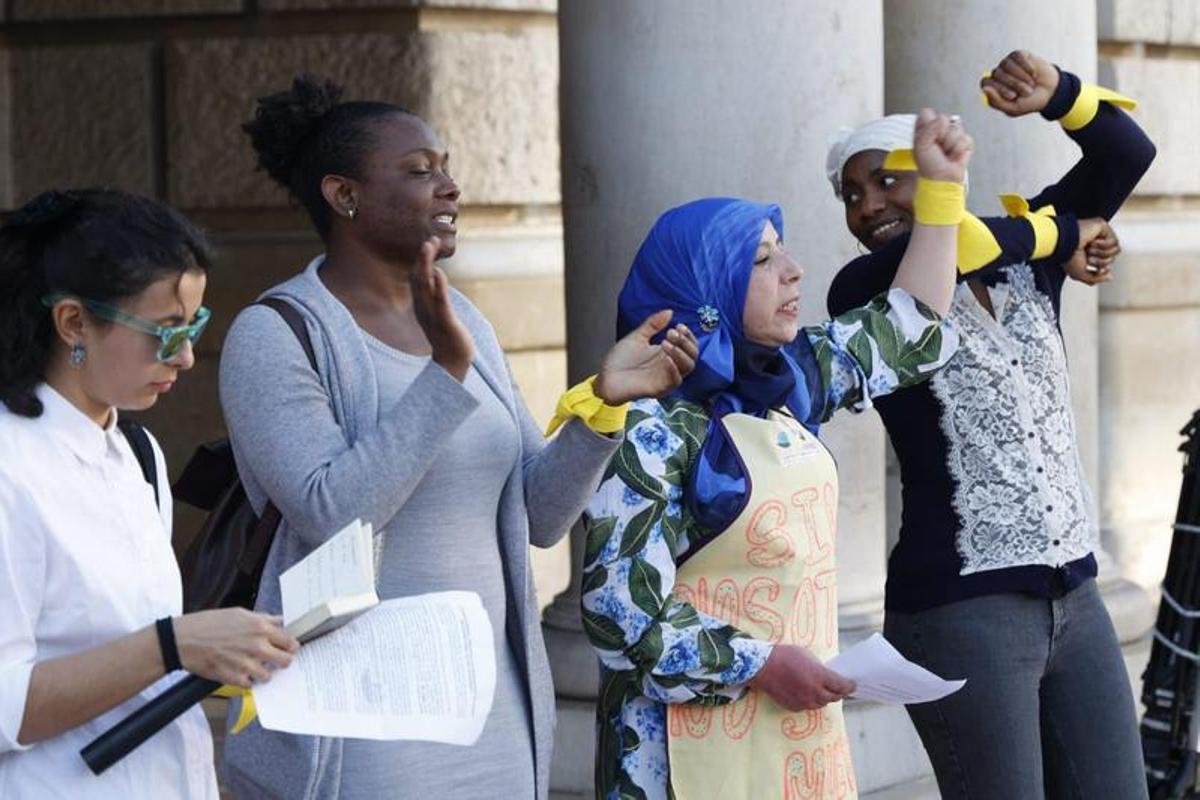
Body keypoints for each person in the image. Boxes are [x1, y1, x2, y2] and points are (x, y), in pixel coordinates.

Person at [218, 75, 699, 800]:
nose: (449, 187)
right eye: (419, 172)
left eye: (445, 168)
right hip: (362, 721)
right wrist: (443, 375)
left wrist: (603, 408)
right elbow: (329, 513)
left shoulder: (463, 318)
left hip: (494, 709)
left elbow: (538, 517)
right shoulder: (277, 333)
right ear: (343, 195)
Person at [581, 109, 971, 800]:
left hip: (794, 738)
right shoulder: (649, 426)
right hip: (678, 759)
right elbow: (620, 612)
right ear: (705, 291)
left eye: (783, 251)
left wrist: (943, 189)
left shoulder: (791, 376)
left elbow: (910, 324)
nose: (794, 272)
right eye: (762, 261)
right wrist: (758, 664)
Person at [825, 51, 1157, 799]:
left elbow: (1127, 152)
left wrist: (1060, 96)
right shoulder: (865, 290)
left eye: (887, 179)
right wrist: (1062, 231)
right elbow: (968, 241)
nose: (868, 205)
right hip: (960, 611)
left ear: (940, 172)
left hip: (1077, 599)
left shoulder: (1022, 264)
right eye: (851, 195)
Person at [0, 188, 300, 799]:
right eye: (164, 332)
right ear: (73, 322)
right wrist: (175, 644)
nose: (187, 356)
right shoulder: (12, 467)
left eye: (194, 327)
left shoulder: (137, 452)